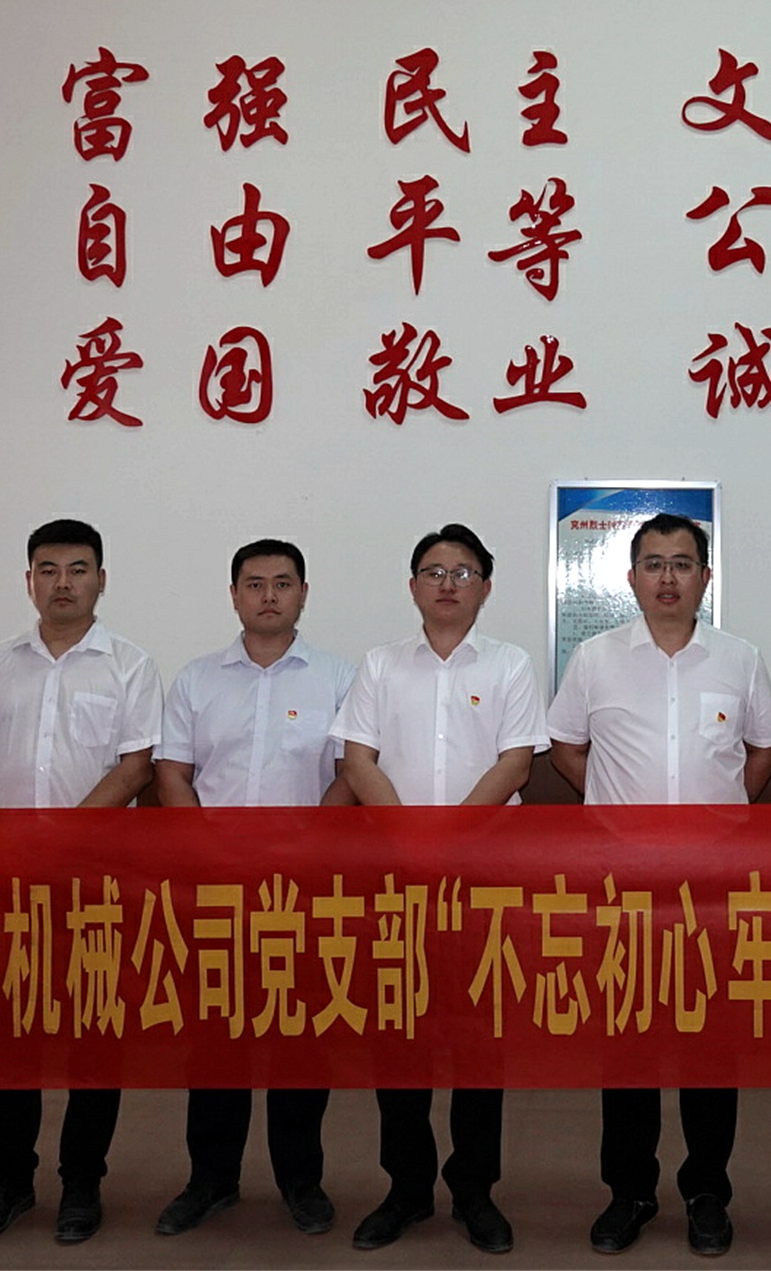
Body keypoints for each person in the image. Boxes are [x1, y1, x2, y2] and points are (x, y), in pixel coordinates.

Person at [547, 511, 771, 1259]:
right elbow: (566, 749)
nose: (668, 578)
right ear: (631, 578)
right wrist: (614, 815)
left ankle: (707, 1191)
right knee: (628, 1048)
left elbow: (763, 752)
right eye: (653, 564)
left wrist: (721, 819)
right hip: (624, 888)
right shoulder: (594, 659)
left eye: (683, 564)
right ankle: (629, 1192)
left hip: (713, 889)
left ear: (705, 577)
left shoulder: (740, 659)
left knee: (712, 1048)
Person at [331, 523, 548, 1255]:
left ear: (485, 587)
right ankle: (406, 1188)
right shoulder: (380, 665)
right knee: (400, 1037)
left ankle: (475, 1190)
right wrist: (413, 844)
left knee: (479, 1039)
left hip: (483, 881)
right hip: (397, 879)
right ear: (413, 586)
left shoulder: (511, 665)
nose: (447, 583)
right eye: (433, 571)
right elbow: (358, 761)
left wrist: (448, 842)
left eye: (462, 572)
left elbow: (515, 764)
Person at [0, 519, 159, 1246]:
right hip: (8, 880)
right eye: (48, 569)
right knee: (10, 1037)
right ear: (29, 581)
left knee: (93, 1037)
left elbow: (135, 767)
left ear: (101, 579)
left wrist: (59, 843)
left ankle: (81, 1183)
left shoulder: (129, 665)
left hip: (95, 880)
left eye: (77, 569)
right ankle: (8, 1180)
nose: (62, 583)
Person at [151, 537, 356, 1240]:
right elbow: (172, 773)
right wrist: (209, 851)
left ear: (303, 593)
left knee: (301, 1036)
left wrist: (305, 849)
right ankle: (210, 1179)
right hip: (215, 885)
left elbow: (350, 773)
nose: (269, 595)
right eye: (254, 583)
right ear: (234, 595)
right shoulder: (197, 679)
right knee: (215, 1038)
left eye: (282, 583)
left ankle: (302, 1180)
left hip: (303, 887)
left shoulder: (338, 677)